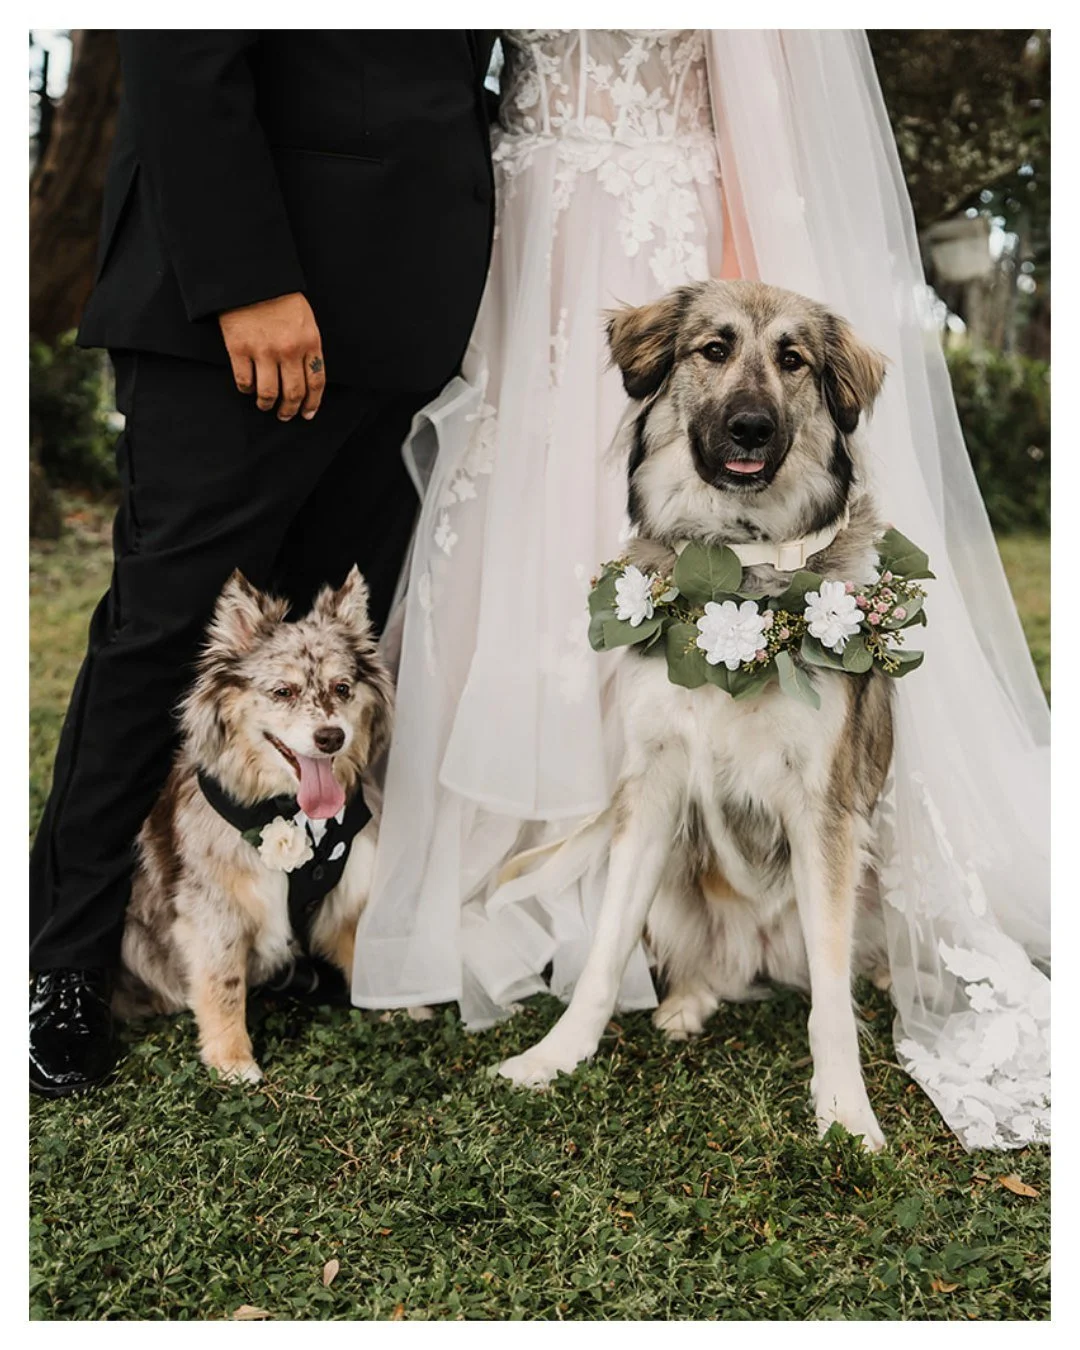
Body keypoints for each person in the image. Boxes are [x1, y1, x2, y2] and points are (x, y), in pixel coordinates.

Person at [354, 30, 1050, 1151]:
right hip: (516, 231)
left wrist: (743, 284)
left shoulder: (759, 361)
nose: (751, 391)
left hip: (667, 206)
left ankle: (809, 1022)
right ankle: (528, 931)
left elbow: (765, 112)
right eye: (724, 358)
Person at [29, 30, 497, 1097]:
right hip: (252, 297)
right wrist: (248, 280)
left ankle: (280, 936)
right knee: (166, 635)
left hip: (406, 325)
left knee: (326, 659)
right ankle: (61, 963)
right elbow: (180, 46)